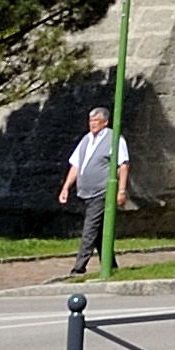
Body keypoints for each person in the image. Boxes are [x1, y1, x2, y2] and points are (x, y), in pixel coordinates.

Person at [59, 106, 128, 277]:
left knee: (90, 228)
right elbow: (76, 165)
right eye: (91, 121)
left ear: (105, 122)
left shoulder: (115, 139)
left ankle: (79, 267)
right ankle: (110, 264)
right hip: (85, 192)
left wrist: (121, 191)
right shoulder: (86, 140)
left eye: (96, 121)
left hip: (102, 192)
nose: (92, 124)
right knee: (97, 231)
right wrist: (66, 187)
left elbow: (124, 165)